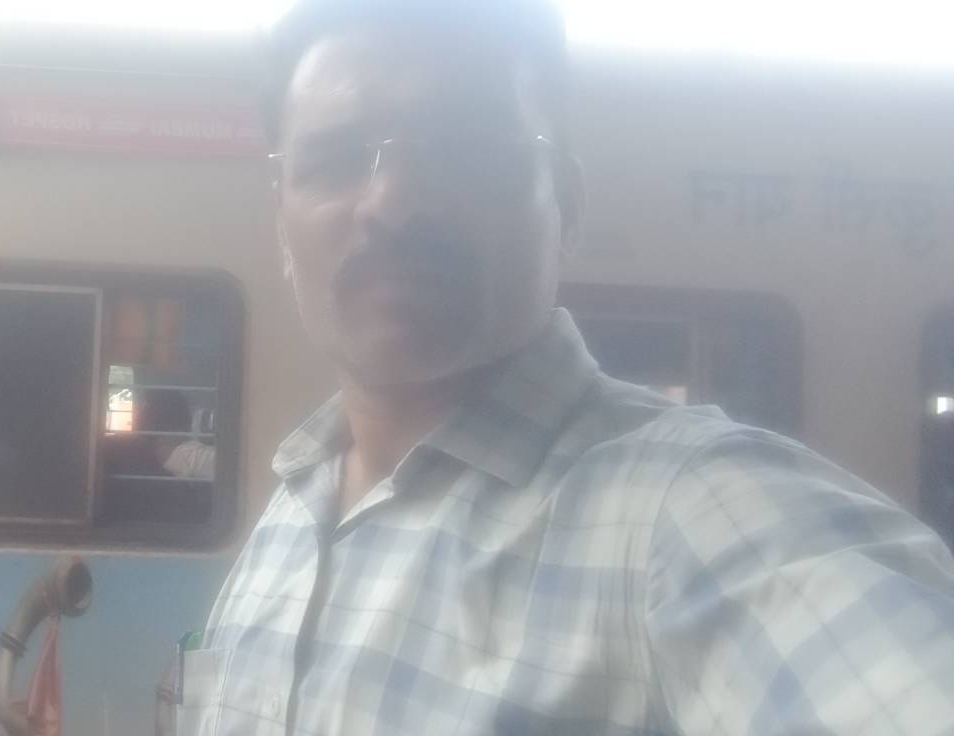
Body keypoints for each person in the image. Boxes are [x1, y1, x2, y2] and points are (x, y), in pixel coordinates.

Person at [187, 1, 954, 734]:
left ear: (568, 207)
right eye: (334, 161)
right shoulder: (297, 502)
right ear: (282, 228)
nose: (392, 201)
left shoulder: (688, 512)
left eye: (464, 148)